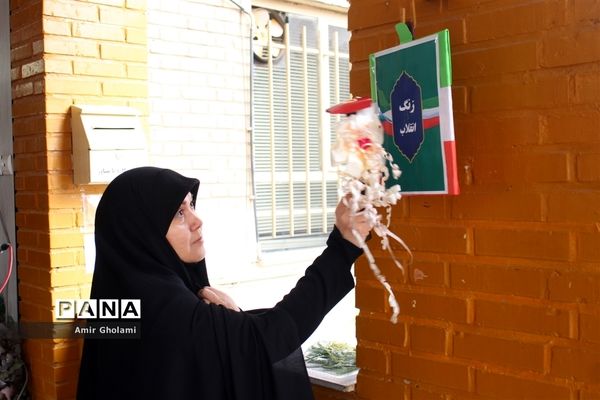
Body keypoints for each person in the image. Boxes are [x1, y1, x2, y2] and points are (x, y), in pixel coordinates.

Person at [76, 166, 371, 400]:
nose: (196, 220)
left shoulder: (116, 300)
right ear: (143, 235)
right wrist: (343, 247)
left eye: (191, 205)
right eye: (179, 213)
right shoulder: (168, 311)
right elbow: (268, 337)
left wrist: (231, 320)